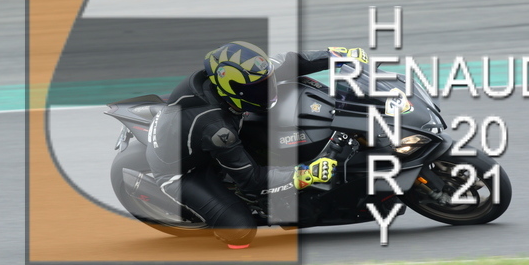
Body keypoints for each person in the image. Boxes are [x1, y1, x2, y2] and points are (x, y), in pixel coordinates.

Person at [145, 41, 368, 248]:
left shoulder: (244, 78)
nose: (267, 89)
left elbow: (290, 62)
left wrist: (336, 55)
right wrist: (304, 174)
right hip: (181, 171)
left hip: (207, 129)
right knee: (240, 232)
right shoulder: (216, 129)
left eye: (267, 82)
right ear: (236, 90)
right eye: (259, 89)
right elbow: (252, 180)